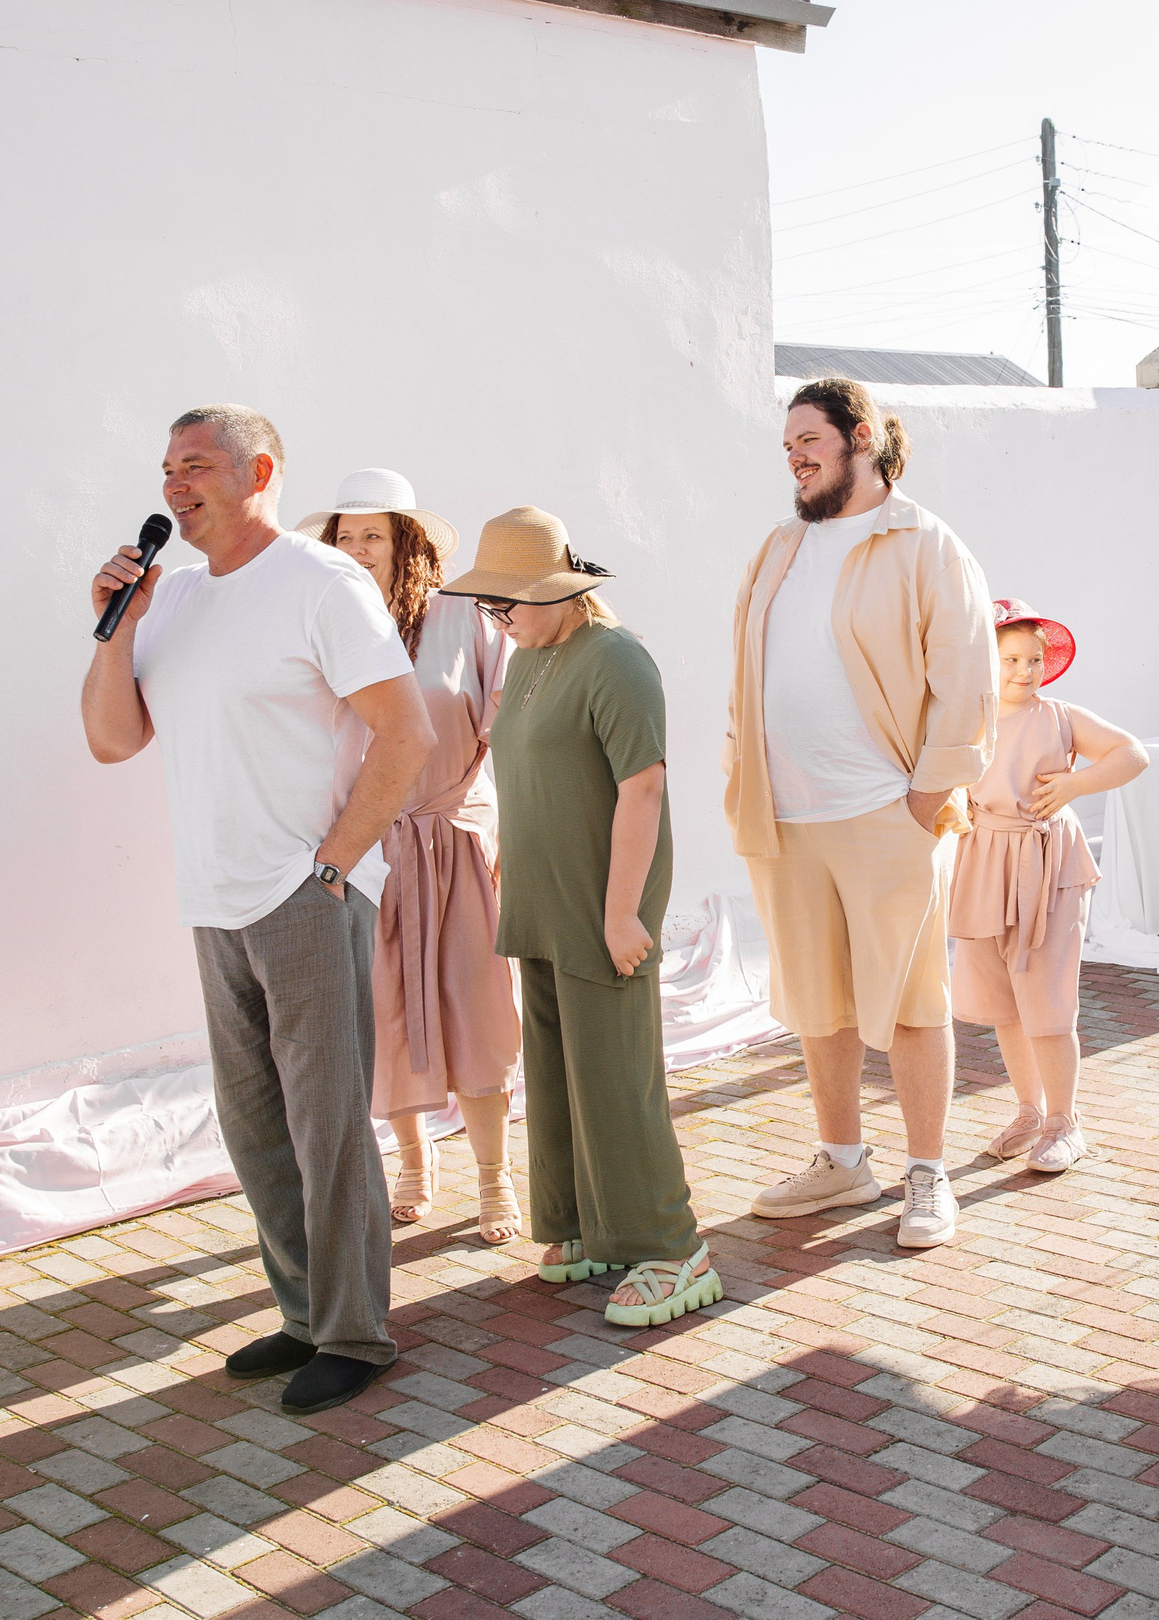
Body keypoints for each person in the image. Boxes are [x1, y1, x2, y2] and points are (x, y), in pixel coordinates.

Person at [82, 406, 433, 1416]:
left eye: (195, 464)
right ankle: (304, 1313)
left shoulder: (322, 584)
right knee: (254, 1125)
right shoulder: (175, 597)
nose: (173, 484)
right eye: (165, 469)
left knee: (327, 1123)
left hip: (301, 892)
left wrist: (332, 867)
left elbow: (403, 732)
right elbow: (112, 740)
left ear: (260, 470)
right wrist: (118, 627)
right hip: (214, 895)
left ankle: (358, 1334)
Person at [727, 377, 997, 1250]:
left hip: (889, 814)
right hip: (787, 820)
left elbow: (968, 677)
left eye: (810, 438)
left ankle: (928, 1173)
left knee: (915, 1000)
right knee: (820, 1001)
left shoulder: (925, 543)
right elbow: (744, 672)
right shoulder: (776, 546)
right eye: (787, 445)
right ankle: (843, 1162)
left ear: (863, 436)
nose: (796, 456)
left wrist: (929, 793)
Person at [445, 508, 719, 1327]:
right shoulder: (531, 658)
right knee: (560, 1077)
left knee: (615, 1079)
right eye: (491, 607)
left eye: (511, 604)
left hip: (604, 909)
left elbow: (643, 788)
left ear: (560, 588)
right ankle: (585, 1227)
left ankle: (675, 1249)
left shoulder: (617, 660)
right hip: (541, 899)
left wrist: (625, 911)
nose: (501, 620)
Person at [305, 471, 522, 1242]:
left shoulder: (464, 617)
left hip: (456, 835)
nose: (357, 548)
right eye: (346, 534)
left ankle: (495, 1178)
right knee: (387, 1008)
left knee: (477, 1003)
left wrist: (501, 831)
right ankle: (416, 1163)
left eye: (374, 534)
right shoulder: (324, 620)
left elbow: (511, 721)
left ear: (407, 543)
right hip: (368, 846)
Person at [951, 601, 1149, 1173]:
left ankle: (1066, 1119)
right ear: (986, 661)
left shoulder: (1060, 716)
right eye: (1010, 659)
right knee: (1007, 1003)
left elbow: (1131, 753)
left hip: (1047, 864)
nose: (1024, 670)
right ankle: (1029, 1109)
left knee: (1046, 995)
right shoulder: (969, 719)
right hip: (985, 862)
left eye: (1034, 659)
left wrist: (1076, 784)